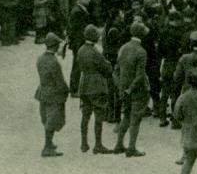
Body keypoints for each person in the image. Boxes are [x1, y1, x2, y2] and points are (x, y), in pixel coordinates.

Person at [113, 21, 151, 157]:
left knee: (126, 117)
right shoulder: (141, 51)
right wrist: (131, 89)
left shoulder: (123, 48)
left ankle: (118, 144)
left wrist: (121, 87)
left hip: (123, 89)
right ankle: (131, 147)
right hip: (137, 90)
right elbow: (140, 75)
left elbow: (116, 71)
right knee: (135, 119)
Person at [76, 24, 114, 154]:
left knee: (85, 115)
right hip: (97, 85)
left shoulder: (81, 50)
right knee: (99, 114)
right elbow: (106, 67)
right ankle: (98, 144)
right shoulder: (95, 52)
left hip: (84, 84)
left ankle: (84, 143)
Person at [34, 32, 69, 157]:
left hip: (43, 92)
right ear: (54, 46)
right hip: (54, 94)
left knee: (46, 118)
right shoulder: (54, 62)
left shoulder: (40, 59)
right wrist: (66, 91)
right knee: (52, 120)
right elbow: (59, 81)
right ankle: (47, 147)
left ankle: (49, 144)